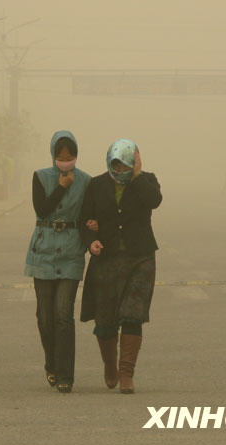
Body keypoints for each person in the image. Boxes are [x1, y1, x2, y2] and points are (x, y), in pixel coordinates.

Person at [80, 138, 162, 394]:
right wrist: (91, 241)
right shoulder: (96, 184)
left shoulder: (146, 180)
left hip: (141, 258)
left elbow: (154, 201)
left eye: (127, 165)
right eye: (118, 165)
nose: (122, 170)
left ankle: (127, 373)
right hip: (107, 259)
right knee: (105, 320)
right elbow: (85, 218)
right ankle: (110, 366)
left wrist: (137, 176)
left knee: (133, 314)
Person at [24, 130, 91, 393]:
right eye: (61, 156)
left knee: (64, 314)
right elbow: (42, 210)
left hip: (71, 252)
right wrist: (62, 188)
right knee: (45, 316)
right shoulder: (41, 177)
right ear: (53, 155)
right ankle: (51, 364)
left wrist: (92, 232)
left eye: (70, 156)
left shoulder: (85, 181)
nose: (65, 161)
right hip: (43, 251)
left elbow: (88, 213)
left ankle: (65, 375)